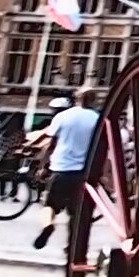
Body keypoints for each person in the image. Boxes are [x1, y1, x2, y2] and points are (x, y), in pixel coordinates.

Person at [40, 83, 105, 228]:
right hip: (84, 174)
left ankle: (48, 224)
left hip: (61, 169)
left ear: (76, 98)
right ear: (94, 100)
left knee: (49, 205)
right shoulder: (98, 119)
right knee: (77, 214)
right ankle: (71, 246)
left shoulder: (62, 116)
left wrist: (44, 166)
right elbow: (102, 149)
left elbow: (51, 144)